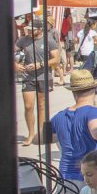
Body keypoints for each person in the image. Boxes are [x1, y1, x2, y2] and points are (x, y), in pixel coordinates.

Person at [16, 18, 59, 146]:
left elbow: (55, 60)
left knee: (41, 106)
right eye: (28, 28)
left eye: (32, 29)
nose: (29, 31)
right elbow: (9, 51)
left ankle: (40, 134)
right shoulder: (23, 40)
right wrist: (15, 65)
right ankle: (30, 134)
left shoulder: (48, 40)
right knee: (28, 106)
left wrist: (39, 64)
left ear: (40, 29)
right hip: (28, 76)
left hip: (43, 76)